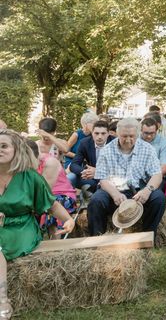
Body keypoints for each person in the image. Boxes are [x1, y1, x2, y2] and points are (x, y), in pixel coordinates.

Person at [0, 129, 75, 318]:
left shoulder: (30, 177)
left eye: (4, 146)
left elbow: (51, 204)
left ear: (16, 150)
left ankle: (2, 300)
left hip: (20, 227)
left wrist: (67, 219)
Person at [87, 117, 165, 236]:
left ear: (138, 134)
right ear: (117, 133)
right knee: (96, 201)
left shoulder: (147, 149)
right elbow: (102, 179)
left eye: (132, 136)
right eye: (124, 136)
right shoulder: (107, 150)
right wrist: (115, 194)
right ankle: (97, 239)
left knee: (158, 198)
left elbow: (157, 175)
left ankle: (147, 236)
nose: (128, 140)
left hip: (138, 190)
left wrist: (147, 190)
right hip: (112, 189)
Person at [35, 138, 77, 236]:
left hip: (63, 194)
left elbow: (46, 192)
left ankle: (55, 239)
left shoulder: (49, 162)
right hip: (45, 196)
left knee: (49, 208)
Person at [69, 120, 115, 194]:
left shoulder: (115, 143)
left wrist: (98, 172)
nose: (100, 137)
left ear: (108, 134)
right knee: (70, 178)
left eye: (103, 133)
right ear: (92, 133)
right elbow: (74, 165)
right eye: (96, 133)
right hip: (91, 177)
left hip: (111, 178)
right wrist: (86, 172)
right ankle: (70, 201)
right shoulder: (85, 143)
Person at [140, 116, 166, 193]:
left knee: (156, 195)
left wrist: (152, 177)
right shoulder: (135, 140)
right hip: (137, 176)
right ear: (141, 131)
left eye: (152, 133)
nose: (149, 136)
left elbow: (165, 167)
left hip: (157, 176)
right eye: (146, 133)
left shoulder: (164, 142)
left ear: (157, 131)